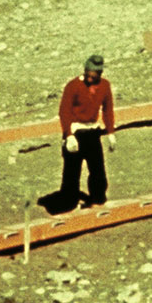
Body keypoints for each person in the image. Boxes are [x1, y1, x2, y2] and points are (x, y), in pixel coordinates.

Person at [57, 54, 116, 210]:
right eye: (88, 75)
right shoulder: (73, 86)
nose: (90, 79)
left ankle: (98, 198)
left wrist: (111, 132)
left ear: (100, 74)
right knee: (72, 171)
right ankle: (68, 203)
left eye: (93, 76)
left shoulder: (104, 86)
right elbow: (64, 111)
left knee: (97, 169)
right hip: (76, 131)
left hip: (92, 131)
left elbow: (108, 109)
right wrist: (68, 135)